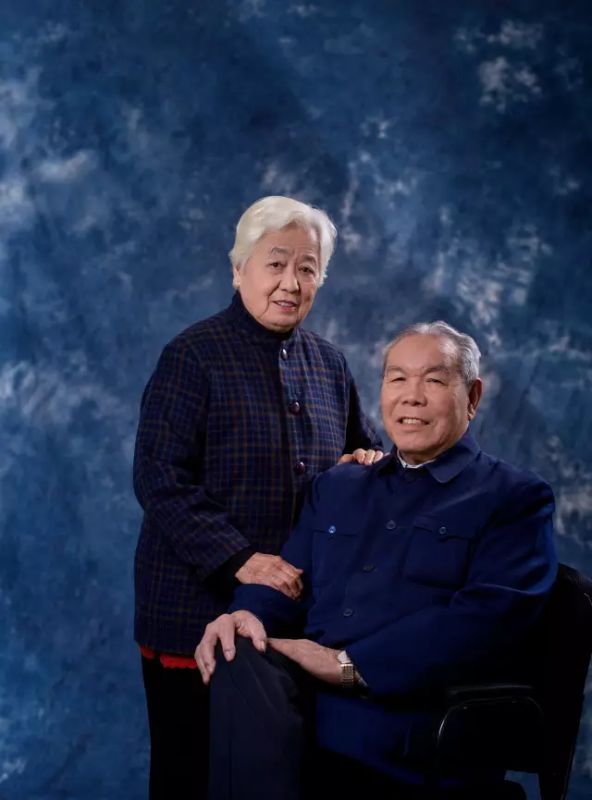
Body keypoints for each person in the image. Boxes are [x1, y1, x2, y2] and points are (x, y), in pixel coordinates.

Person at [195, 321, 557, 800]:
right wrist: (246, 615)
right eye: (397, 378)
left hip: (406, 723)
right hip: (300, 710)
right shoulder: (338, 486)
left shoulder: (514, 498)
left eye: (433, 380)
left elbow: (486, 623)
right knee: (237, 646)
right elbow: (287, 578)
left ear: (472, 397)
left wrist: (347, 664)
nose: (412, 397)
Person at [132, 196, 382, 799]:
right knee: (193, 778)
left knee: (278, 780)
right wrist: (240, 559)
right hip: (192, 611)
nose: (291, 283)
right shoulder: (193, 355)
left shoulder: (330, 364)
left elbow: (362, 452)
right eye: (275, 264)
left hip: (294, 619)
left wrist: (366, 465)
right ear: (239, 268)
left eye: (307, 268)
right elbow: (159, 477)